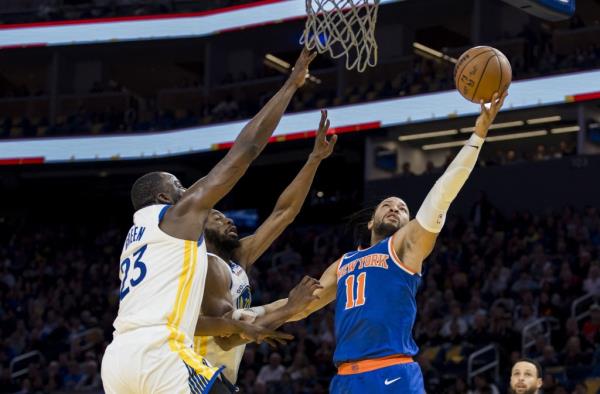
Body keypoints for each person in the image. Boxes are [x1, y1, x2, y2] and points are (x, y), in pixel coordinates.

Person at [101, 49, 317, 394]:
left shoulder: (136, 239)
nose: (187, 192)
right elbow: (243, 152)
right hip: (159, 354)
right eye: (179, 188)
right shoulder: (175, 217)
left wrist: (239, 327)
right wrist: (290, 85)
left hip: (116, 361)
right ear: (162, 198)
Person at [288, 92, 508, 393]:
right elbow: (301, 307)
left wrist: (478, 135)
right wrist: (253, 316)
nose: (394, 208)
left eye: (403, 208)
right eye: (387, 205)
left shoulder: (405, 247)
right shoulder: (344, 262)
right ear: (370, 221)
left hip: (392, 372)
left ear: (408, 224)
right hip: (345, 379)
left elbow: (441, 193)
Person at [194, 109, 336, 383]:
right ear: (200, 230)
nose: (229, 220)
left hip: (217, 377)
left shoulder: (236, 259)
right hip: (196, 377)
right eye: (218, 217)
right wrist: (289, 308)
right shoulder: (209, 265)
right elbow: (225, 337)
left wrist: (314, 159)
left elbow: (284, 213)